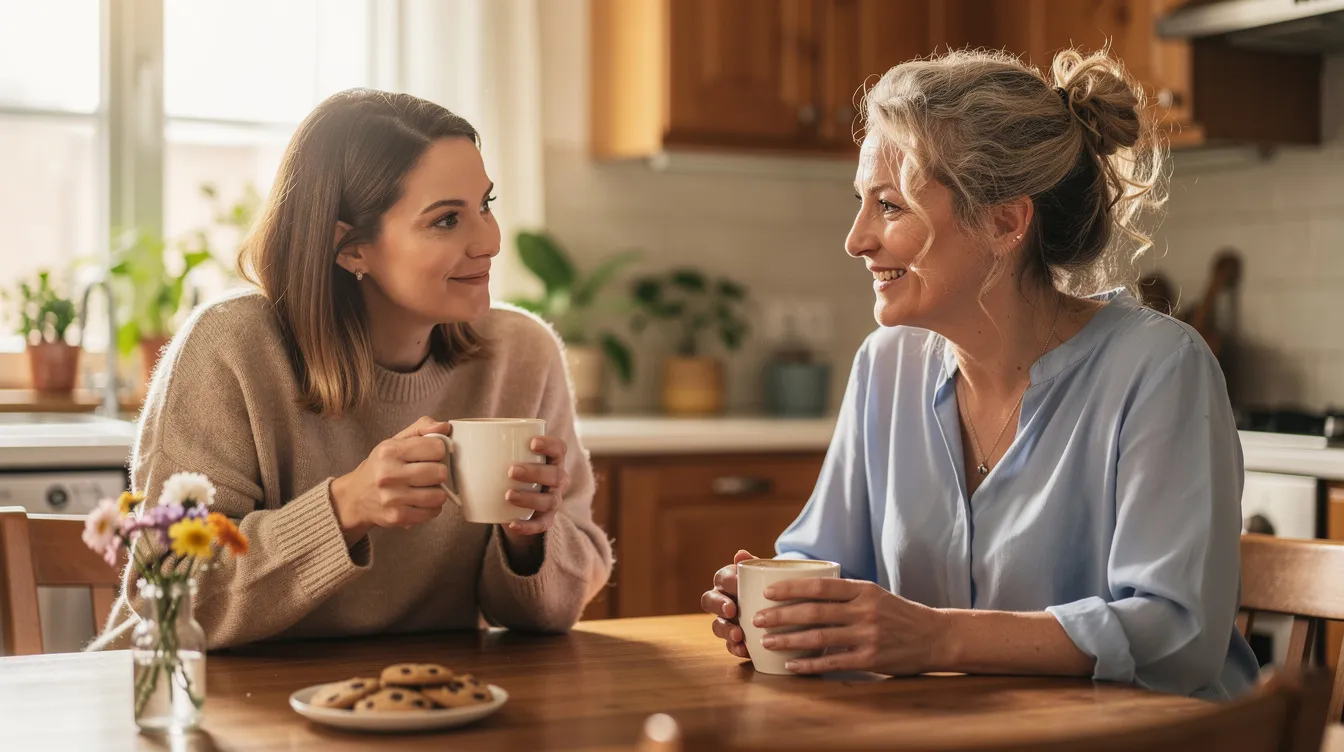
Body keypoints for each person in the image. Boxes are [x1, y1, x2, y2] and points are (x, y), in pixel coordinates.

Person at [701, 48, 1259, 699]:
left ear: (1003, 222)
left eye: (890, 206)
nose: (856, 240)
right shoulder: (885, 365)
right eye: (862, 203)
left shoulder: (1160, 367)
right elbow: (827, 557)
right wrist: (782, 607)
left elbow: (1180, 636)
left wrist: (937, 637)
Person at [93, 89, 612, 651]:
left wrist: (529, 538)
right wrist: (346, 507)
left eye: (485, 205)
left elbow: (553, 613)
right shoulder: (229, 348)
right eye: (446, 220)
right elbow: (170, 593)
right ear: (351, 248)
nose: (489, 240)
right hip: (186, 694)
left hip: (416, 694)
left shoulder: (522, 355)